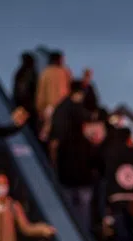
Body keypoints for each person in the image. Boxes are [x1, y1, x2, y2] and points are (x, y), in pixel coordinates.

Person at [49, 80, 94, 231]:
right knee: (84, 214)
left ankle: (70, 233)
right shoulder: (86, 143)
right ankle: (84, 238)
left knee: (68, 212)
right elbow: (94, 160)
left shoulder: (63, 142)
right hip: (84, 181)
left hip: (67, 181)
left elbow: (58, 161)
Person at [36, 51, 71, 138]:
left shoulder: (45, 73)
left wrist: (40, 109)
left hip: (50, 108)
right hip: (63, 108)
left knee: (47, 135)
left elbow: (41, 94)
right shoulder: (65, 72)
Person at [12, 53, 38, 133]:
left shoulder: (20, 71)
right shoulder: (29, 72)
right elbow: (24, 90)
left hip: (21, 103)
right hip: (27, 105)